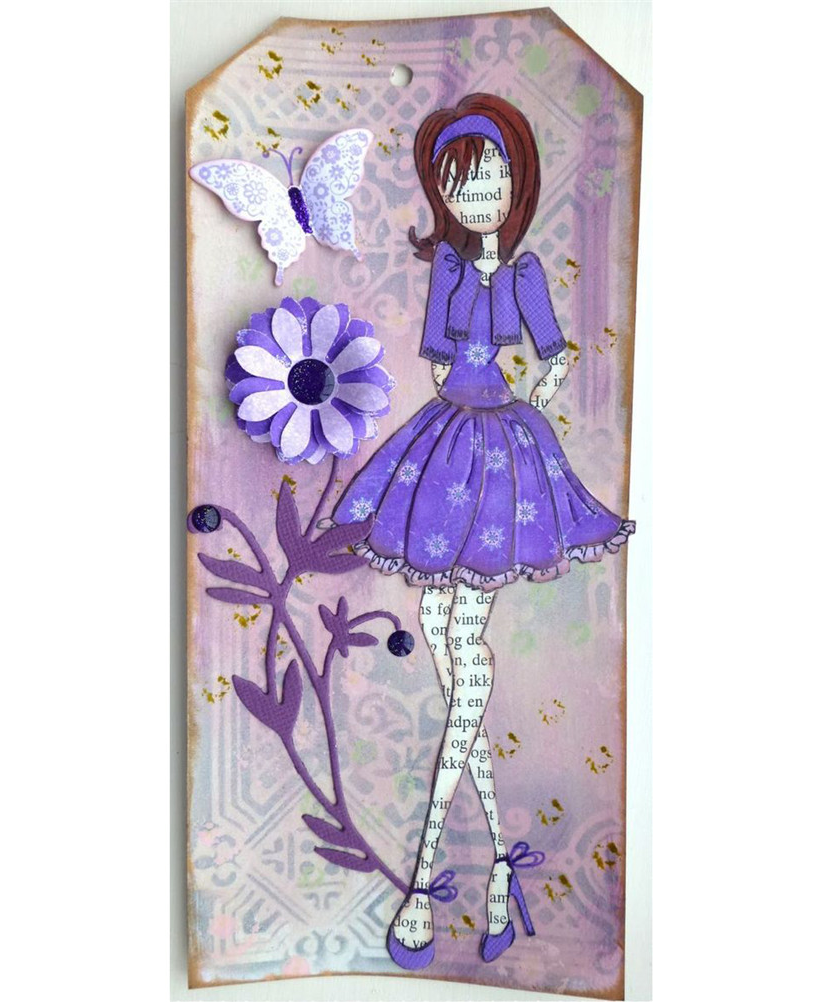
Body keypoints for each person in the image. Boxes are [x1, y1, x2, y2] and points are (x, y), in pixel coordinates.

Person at [331, 92, 634, 968]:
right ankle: (500, 864)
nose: (479, 193)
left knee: (463, 650)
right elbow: (437, 361)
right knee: (454, 652)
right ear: (442, 193)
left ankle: (422, 884)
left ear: (517, 180)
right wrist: (470, 388)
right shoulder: (449, 268)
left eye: (492, 175)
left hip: (503, 457)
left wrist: (536, 394)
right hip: (449, 447)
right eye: (461, 182)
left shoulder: (528, 271)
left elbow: (555, 352)